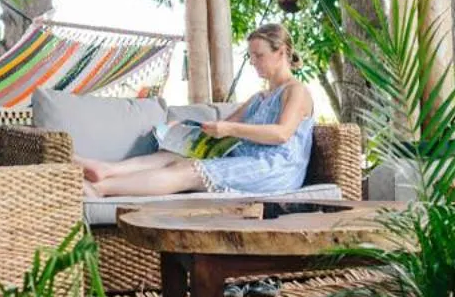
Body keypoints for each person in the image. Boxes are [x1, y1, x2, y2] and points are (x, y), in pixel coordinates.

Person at [79, 23, 316, 198]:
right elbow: (221, 131)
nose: (253, 61)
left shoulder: (295, 91)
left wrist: (230, 128)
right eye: (251, 56)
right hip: (244, 157)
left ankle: (100, 190)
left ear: (282, 52)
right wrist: (182, 131)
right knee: (178, 155)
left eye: (259, 55)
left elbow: (282, 133)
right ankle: (106, 170)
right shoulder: (258, 98)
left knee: (189, 169)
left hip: (274, 169)